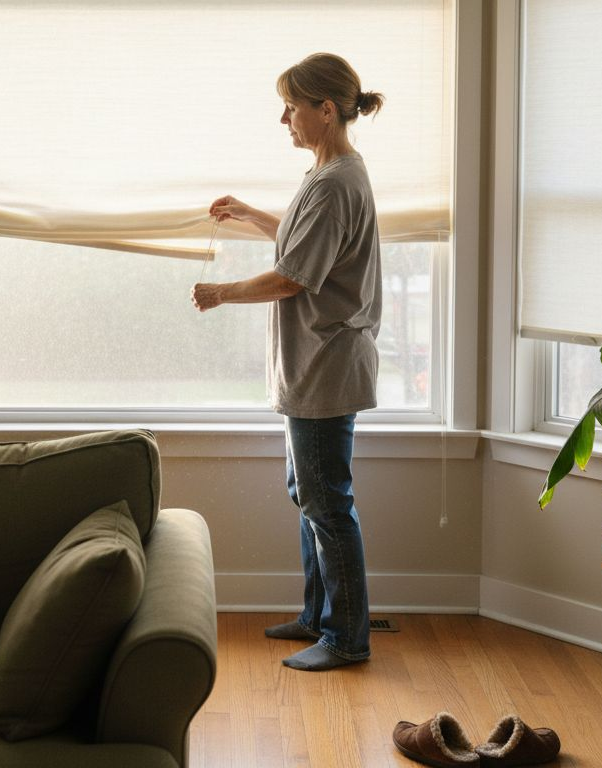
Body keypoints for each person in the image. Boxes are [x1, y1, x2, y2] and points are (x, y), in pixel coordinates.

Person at [191, 53, 384, 671]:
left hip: (325, 366)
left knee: (327, 501)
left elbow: (293, 276)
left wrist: (221, 293)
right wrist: (249, 213)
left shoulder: (334, 182)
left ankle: (346, 638)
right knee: (310, 492)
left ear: (326, 110)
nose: (284, 119)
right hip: (316, 364)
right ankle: (317, 615)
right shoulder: (329, 172)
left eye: (292, 107)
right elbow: (302, 240)